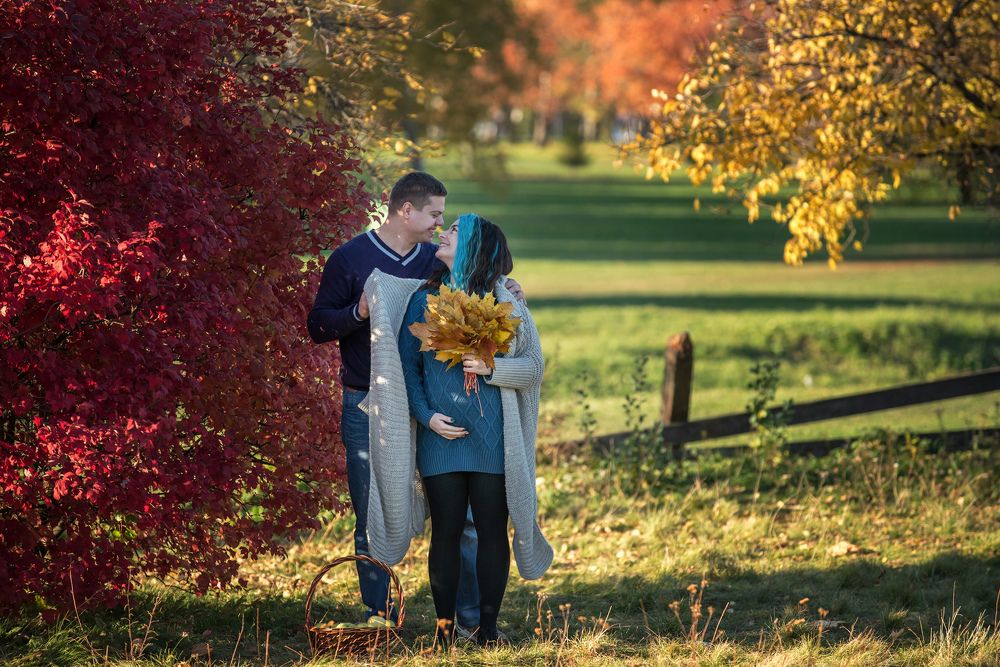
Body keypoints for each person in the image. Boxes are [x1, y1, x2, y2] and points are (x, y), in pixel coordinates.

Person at [307, 173, 523, 630]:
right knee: (374, 511)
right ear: (407, 211)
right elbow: (318, 326)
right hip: (372, 402)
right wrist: (359, 312)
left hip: (437, 402)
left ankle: (467, 618)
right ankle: (379, 615)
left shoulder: (434, 259)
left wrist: (511, 288)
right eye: (435, 214)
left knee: (461, 519)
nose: (440, 224)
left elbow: (480, 281)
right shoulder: (350, 259)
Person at [363, 214, 552, 648]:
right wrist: (427, 416)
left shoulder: (507, 303)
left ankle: (487, 629)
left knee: (491, 529)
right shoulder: (423, 302)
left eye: (453, 233)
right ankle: (444, 632)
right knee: (446, 532)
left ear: (471, 249)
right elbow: (404, 369)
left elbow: (535, 369)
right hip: (439, 438)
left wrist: (493, 367)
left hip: (493, 440)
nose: (443, 234)